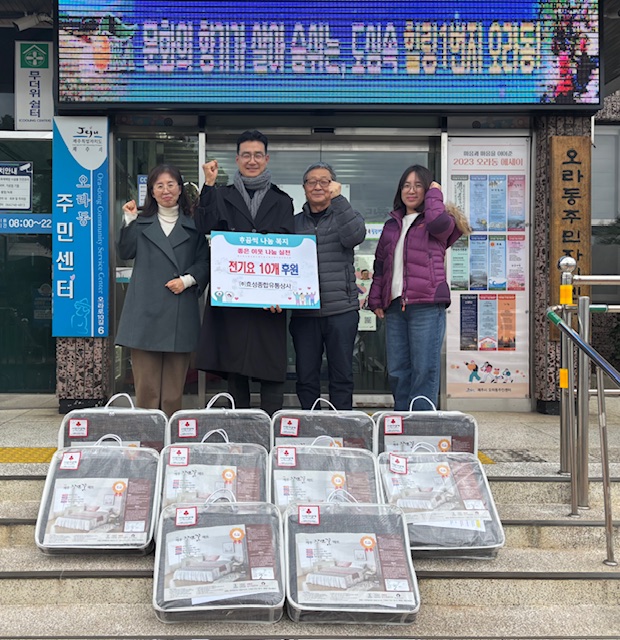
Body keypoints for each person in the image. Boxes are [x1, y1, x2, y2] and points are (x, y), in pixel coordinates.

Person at [194, 130, 294, 415]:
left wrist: (284, 295)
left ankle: (272, 431)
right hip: (234, 296)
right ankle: (241, 431)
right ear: (237, 159)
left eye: (258, 155)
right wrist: (209, 185)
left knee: (271, 367)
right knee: (235, 367)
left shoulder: (282, 200)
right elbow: (204, 226)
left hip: (270, 302)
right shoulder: (220, 194)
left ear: (267, 158)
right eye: (246, 155)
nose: (252, 160)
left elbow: (287, 247)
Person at [367, 164, 470, 411]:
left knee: (424, 368)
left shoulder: (440, 221)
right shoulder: (393, 224)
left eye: (418, 185)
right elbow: (381, 264)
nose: (411, 190)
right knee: (398, 369)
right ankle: (401, 424)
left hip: (426, 305)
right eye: (406, 185)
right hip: (395, 307)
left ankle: (423, 424)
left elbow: (437, 224)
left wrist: (435, 194)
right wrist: (375, 298)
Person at [116, 164, 210, 416]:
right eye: (159, 185)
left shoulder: (194, 224)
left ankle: (170, 447)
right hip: (144, 313)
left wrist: (188, 280)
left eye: (171, 184)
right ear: (152, 192)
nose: (166, 190)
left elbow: (205, 261)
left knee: (172, 393)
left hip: (179, 310)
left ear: (180, 189)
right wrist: (129, 220)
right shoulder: (140, 221)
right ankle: (149, 446)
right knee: (146, 391)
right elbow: (125, 252)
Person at [289, 162, 366, 410]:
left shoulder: (346, 215)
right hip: (304, 313)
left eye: (325, 181)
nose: (318, 186)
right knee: (306, 376)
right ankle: (311, 427)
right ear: (304, 188)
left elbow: (355, 236)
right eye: (312, 181)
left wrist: (340, 199)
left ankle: (342, 429)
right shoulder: (293, 224)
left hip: (341, 310)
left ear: (334, 186)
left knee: (342, 375)